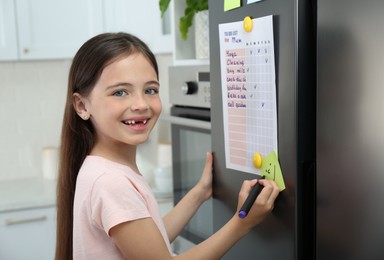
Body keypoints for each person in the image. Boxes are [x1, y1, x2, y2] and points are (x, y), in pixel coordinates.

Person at [55, 32, 280, 260]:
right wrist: (242, 223)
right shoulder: (111, 183)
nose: (141, 104)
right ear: (82, 105)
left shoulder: (103, 168)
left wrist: (200, 192)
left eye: (150, 90)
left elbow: (151, 241)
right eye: (120, 92)